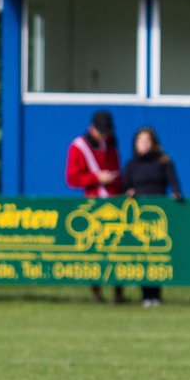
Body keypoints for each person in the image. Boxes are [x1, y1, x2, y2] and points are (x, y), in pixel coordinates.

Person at [65, 109, 125, 304]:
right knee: (96, 250)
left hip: (113, 202)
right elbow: (72, 178)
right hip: (93, 204)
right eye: (101, 131)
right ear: (92, 128)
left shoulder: (111, 145)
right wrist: (97, 178)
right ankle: (96, 291)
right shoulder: (78, 147)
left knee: (117, 250)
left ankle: (118, 291)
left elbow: (118, 171)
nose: (104, 135)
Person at [121, 126, 183, 307]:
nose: (145, 144)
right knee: (142, 254)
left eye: (148, 141)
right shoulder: (131, 165)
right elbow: (125, 186)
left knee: (157, 253)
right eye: (141, 141)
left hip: (158, 214)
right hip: (139, 214)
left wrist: (177, 194)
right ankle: (145, 294)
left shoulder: (164, 161)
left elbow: (174, 184)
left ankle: (156, 294)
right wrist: (129, 192)